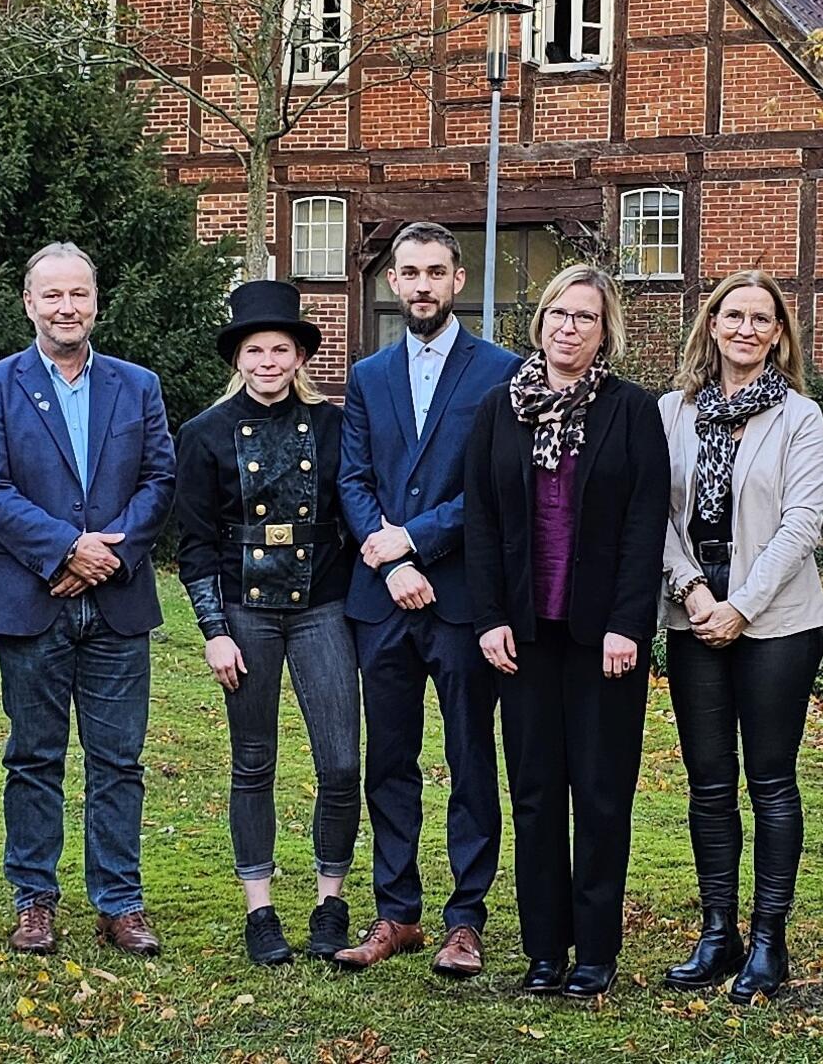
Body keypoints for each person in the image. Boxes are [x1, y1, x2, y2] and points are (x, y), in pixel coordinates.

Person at [0, 242, 176, 958]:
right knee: (34, 756)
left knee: (119, 759)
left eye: (78, 294)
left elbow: (159, 479)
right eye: (51, 295)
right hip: (31, 596)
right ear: (29, 303)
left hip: (116, 598)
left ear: (95, 301)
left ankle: (120, 902)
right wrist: (64, 549)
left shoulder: (136, 385)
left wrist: (103, 557)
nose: (66, 307)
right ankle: (35, 901)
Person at [465, 263, 670, 999]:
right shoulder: (498, 409)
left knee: (602, 792)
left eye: (585, 317)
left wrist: (627, 624)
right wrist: (488, 616)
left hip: (602, 639)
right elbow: (482, 522)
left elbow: (647, 525)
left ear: (603, 330)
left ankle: (596, 951)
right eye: (559, 313)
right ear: (540, 320)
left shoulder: (630, 411)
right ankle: (545, 949)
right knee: (536, 792)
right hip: (522, 635)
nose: (569, 328)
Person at [334, 222, 520, 977]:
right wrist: (387, 567)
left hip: (462, 600)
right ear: (391, 282)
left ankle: (465, 919)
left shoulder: (501, 371)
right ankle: (395, 912)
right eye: (408, 272)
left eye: (434, 272)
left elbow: (494, 489)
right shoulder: (368, 374)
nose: (420, 285)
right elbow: (352, 482)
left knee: (472, 758)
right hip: (381, 604)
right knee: (390, 760)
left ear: (458, 278)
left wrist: (415, 545)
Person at [657, 270, 823, 1003]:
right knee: (708, 784)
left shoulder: (800, 418)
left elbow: (802, 525)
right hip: (691, 613)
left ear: (779, 334)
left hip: (778, 623)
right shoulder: (672, 412)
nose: (747, 328)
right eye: (735, 315)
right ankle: (717, 930)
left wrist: (742, 606)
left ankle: (769, 941)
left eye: (763, 318)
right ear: (713, 324)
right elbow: (653, 515)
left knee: (769, 781)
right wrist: (695, 592)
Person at [175, 281, 360, 965]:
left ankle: (330, 899)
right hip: (245, 613)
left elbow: (352, 510)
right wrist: (213, 629)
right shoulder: (203, 435)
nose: (269, 361)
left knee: (341, 761)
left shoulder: (336, 427)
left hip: (324, 606)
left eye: (280, 348)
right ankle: (260, 910)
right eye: (256, 350)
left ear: (299, 355)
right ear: (239, 357)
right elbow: (192, 543)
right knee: (253, 762)